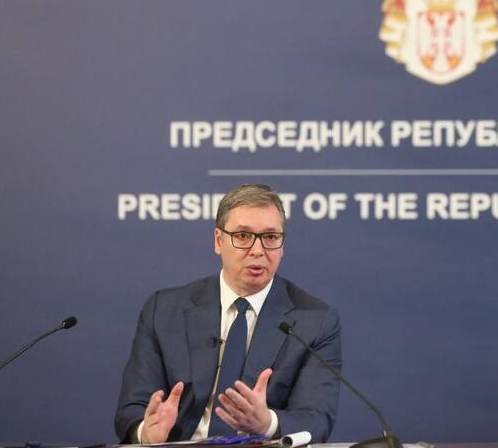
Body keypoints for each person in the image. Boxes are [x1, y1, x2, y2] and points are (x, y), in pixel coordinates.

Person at [115, 184, 341, 444]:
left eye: (270, 237)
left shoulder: (314, 320)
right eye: (243, 236)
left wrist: (268, 423)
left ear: (282, 246)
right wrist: (146, 431)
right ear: (218, 241)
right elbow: (131, 408)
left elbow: (317, 418)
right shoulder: (164, 310)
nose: (258, 250)